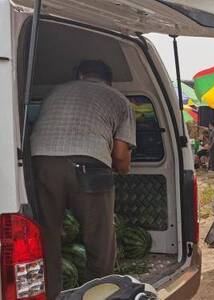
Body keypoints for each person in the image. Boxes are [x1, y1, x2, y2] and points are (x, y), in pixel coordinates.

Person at [30, 60, 136, 299]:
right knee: (100, 240)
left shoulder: (55, 92)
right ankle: (98, 294)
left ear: (79, 75)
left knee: (48, 238)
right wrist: (122, 169)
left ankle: (52, 294)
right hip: (89, 166)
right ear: (109, 81)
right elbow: (120, 157)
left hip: (42, 163)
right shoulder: (119, 100)